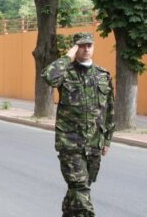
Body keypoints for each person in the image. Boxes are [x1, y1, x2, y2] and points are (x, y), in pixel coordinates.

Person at [41, 32, 115, 217]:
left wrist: (107, 140)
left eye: (89, 45)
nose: (86, 49)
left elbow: (110, 110)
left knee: (80, 188)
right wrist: (67, 56)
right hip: (70, 143)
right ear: (75, 48)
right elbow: (48, 76)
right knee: (80, 187)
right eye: (82, 46)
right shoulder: (65, 73)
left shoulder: (102, 75)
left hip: (94, 144)